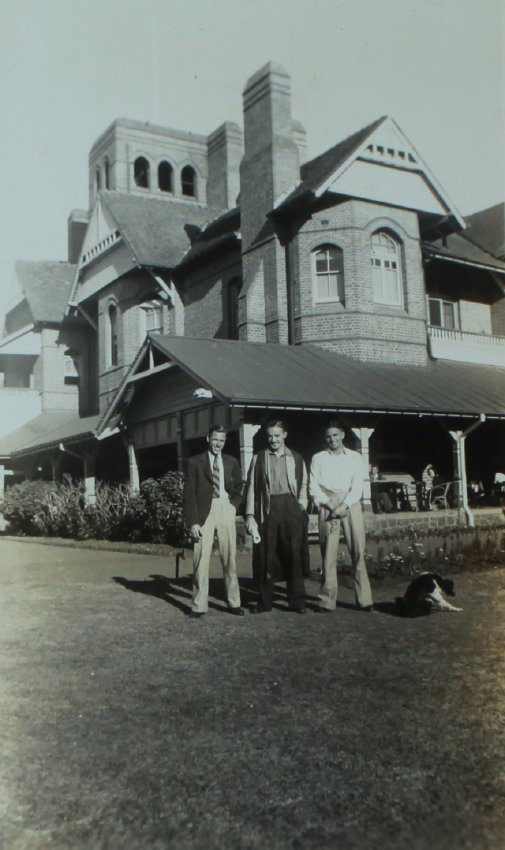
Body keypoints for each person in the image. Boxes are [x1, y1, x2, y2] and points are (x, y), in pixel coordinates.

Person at [244, 419, 308, 613]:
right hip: (269, 508)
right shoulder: (259, 458)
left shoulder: (296, 457)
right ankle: (265, 602)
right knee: (266, 555)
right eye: (270, 436)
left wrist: (301, 506)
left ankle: (297, 602)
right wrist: (250, 515)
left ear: (285, 435)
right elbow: (251, 488)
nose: (273, 440)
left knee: (294, 555)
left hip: (291, 507)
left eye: (277, 436)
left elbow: (304, 484)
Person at [309, 420, 374, 612]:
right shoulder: (318, 458)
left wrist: (344, 505)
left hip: (350, 504)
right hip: (328, 505)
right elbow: (313, 486)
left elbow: (358, 486)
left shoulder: (354, 457)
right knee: (328, 553)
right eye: (328, 436)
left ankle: (364, 600)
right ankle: (326, 601)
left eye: (335, 435)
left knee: (358, 551)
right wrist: (330, 505)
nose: (332, 439)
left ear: (343, 435)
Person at [183, 425, 244, 619]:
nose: (218, 444)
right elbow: (189, 494)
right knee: (201, 557)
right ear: (208, 439)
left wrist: (233, 505)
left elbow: (240, 486)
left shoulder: (231, 461)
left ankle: (234, 602)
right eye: (215, 439)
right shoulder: (195, 462)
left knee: (230, 557)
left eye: (222, 441)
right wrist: (193, 522)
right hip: (203, 512)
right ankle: (199, 604)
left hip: (225, 507)